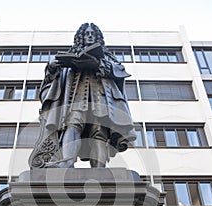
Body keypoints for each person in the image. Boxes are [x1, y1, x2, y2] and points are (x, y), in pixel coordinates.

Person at [29, 23, 136, 169]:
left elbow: (119, 71)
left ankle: (99, 168)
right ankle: (67, 162)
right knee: (72, 125)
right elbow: (54, 78)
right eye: (87, 33)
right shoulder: (71, 53)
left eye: (93, 33)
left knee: (99, 132)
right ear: (81, 37)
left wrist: (98, 63)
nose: (90, 35)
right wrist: (52, 67)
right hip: (75, 97)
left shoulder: (107, 56)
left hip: (101, 96)